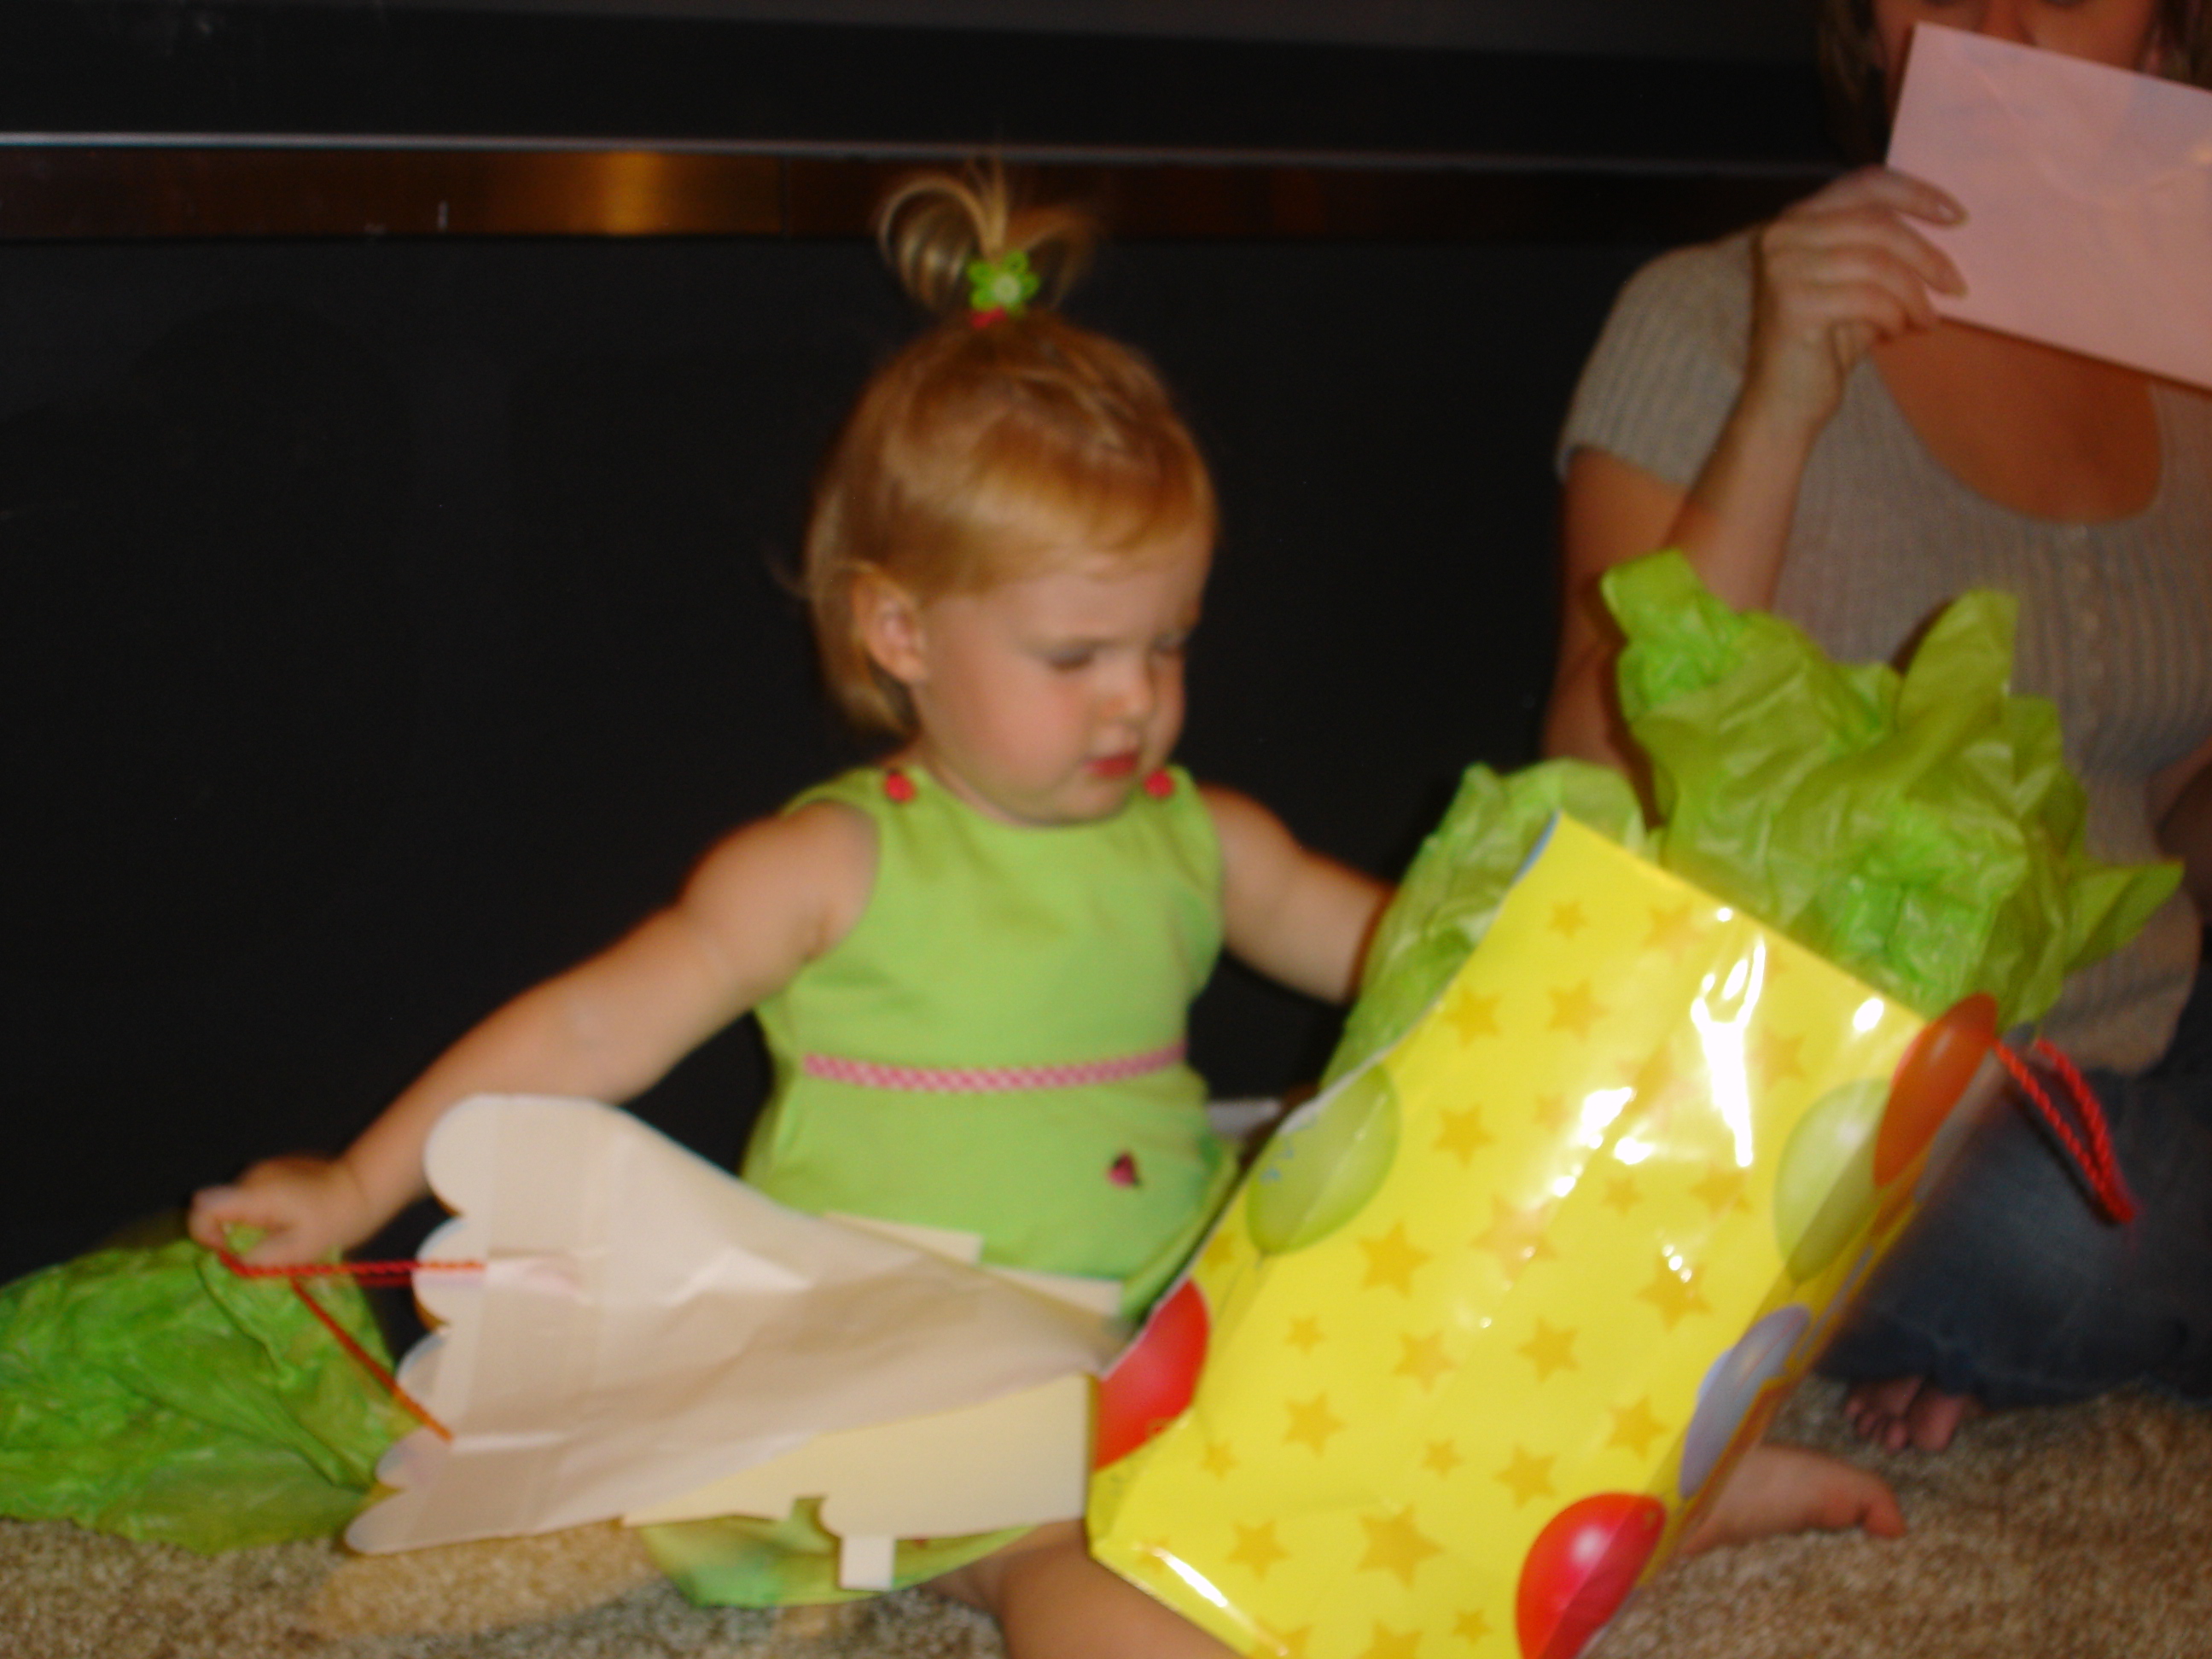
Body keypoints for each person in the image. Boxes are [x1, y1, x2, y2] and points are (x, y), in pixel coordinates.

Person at [190, 169, 1898, 1652]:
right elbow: (582, 1031)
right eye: (1074, 655)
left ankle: (1638, 1491)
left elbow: (1437, 977)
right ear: (900, 635)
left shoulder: (1205, 840)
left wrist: (1640, 973)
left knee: (1421, 1328)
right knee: (1067, 1553)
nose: (1133, 699)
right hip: (918, 1366)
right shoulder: (828, 866)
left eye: (1168, 642)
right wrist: (357, 1182)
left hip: (1167, 1330)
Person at [1550, 0, 2212, 1459]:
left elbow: (2167, 810)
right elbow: (1601, 774)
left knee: (2092, 1222)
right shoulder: (1711, 313)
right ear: (1864, 29)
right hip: (1820, 1084)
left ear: (2165, 44)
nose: (1997, 19)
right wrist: (1782, 401)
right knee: (2068, 1243)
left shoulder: (2190, 356)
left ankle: (2019, 1301)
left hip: (2134, 1057)